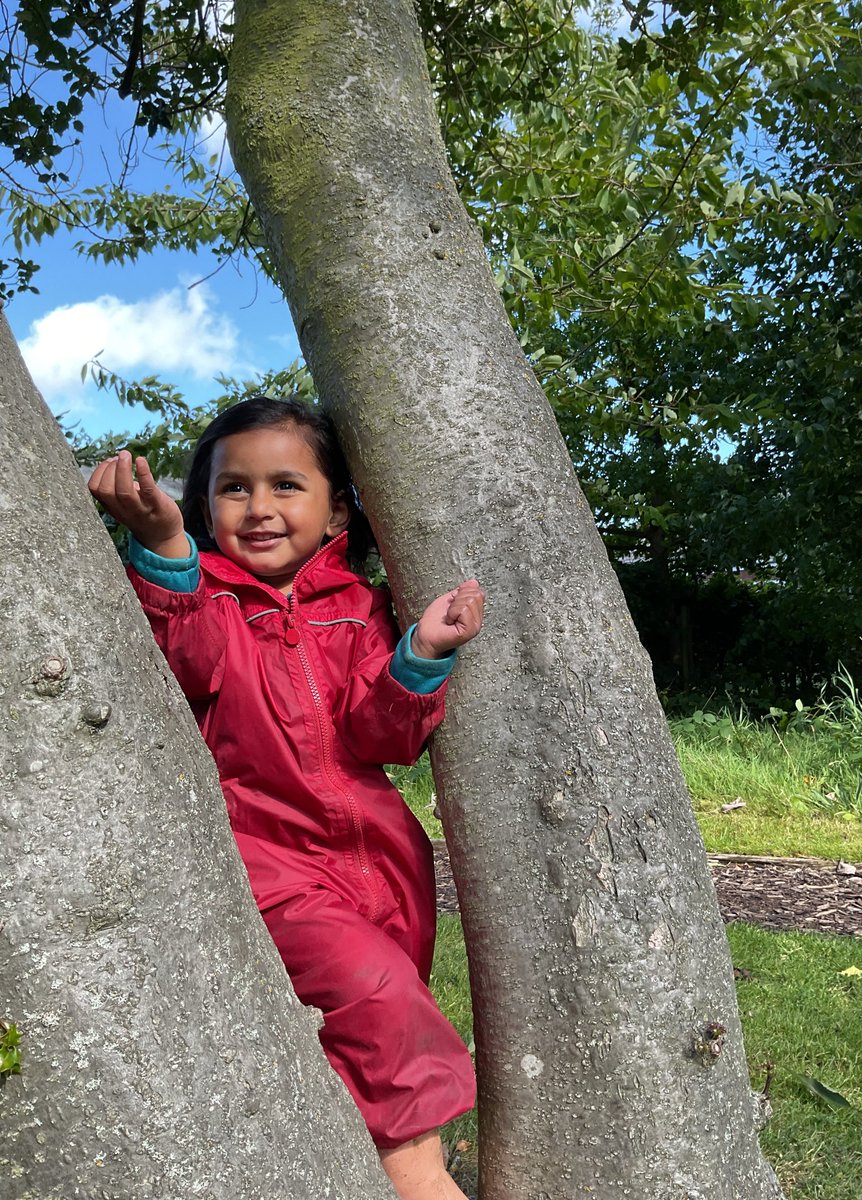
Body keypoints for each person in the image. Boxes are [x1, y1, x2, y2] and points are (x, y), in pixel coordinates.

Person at [88, 396, 484, 1200]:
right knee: (380, 1006)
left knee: (371, 1020)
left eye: (286, 485)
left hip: (382, 863)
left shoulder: (360, 607)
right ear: (204, 506)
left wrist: (422, 653)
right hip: (268, 857)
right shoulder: (213, 604)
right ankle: (426, 1186)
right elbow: (186, 654)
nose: (260, 507)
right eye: (234, 489)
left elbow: (381, 737)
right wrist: (165, 544)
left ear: (337, 507)